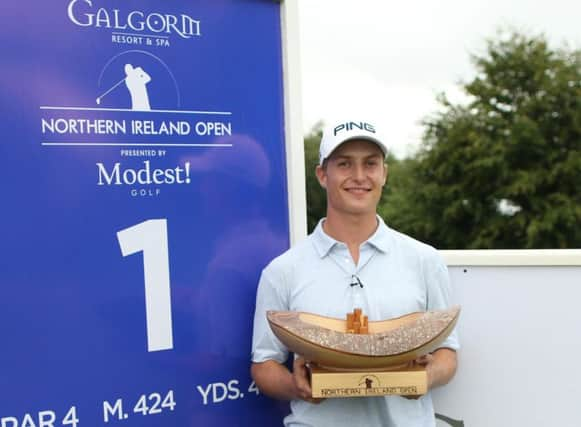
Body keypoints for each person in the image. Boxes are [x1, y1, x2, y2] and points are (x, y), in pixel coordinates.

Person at [251, 119, 460, 427]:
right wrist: (296, 386)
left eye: (370, 164)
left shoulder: (424, 260)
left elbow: (448, 353)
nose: (359, 176)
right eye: (345, 164)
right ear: (323, 175)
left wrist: (426, 376)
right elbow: (264, 364)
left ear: (384, 174)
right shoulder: (283, 270)